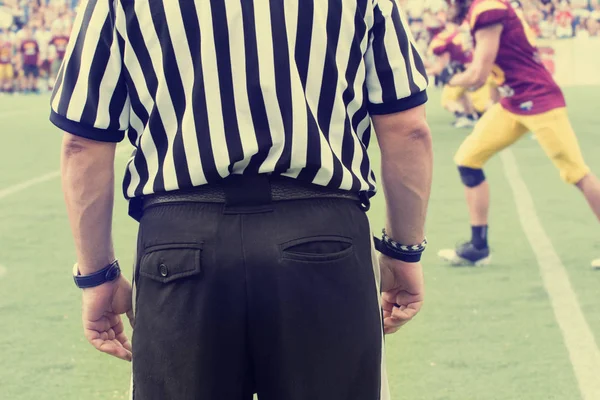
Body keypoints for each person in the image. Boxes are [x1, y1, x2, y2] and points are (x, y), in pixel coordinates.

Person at [49, 0, 432, 399]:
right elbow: (408, 129)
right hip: (323, 234)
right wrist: (402, 252)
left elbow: (82, 143)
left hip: (180, 242)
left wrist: (97, 277)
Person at [438, 0, 600, 268]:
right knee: (468, 159)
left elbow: (479, 73)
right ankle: (478, 247)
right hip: (514, 102)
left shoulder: (486, 8)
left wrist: (447, 78)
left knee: (577, 173)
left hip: (539, 101)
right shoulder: (486, 8)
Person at [425, 22, 496, 128]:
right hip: (481, 69)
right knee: (464, 96)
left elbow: (440, 66)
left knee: (448, 100)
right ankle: (470, 117)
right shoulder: (461, 35)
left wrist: (424, 74)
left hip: (463, 73)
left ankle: (464, 116)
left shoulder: (442, 40)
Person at [19, 26, 40, 93]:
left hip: (34, 61)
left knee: (35, 75)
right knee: (26, 76)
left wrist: (38, 60)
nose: (29, 33)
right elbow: (20, 53)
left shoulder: (35, 42)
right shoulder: (23, 42)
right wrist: (20, 61)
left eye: (30, 32)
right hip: (26, 62)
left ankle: (34, 88)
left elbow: (38, 52)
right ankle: (26, 88)